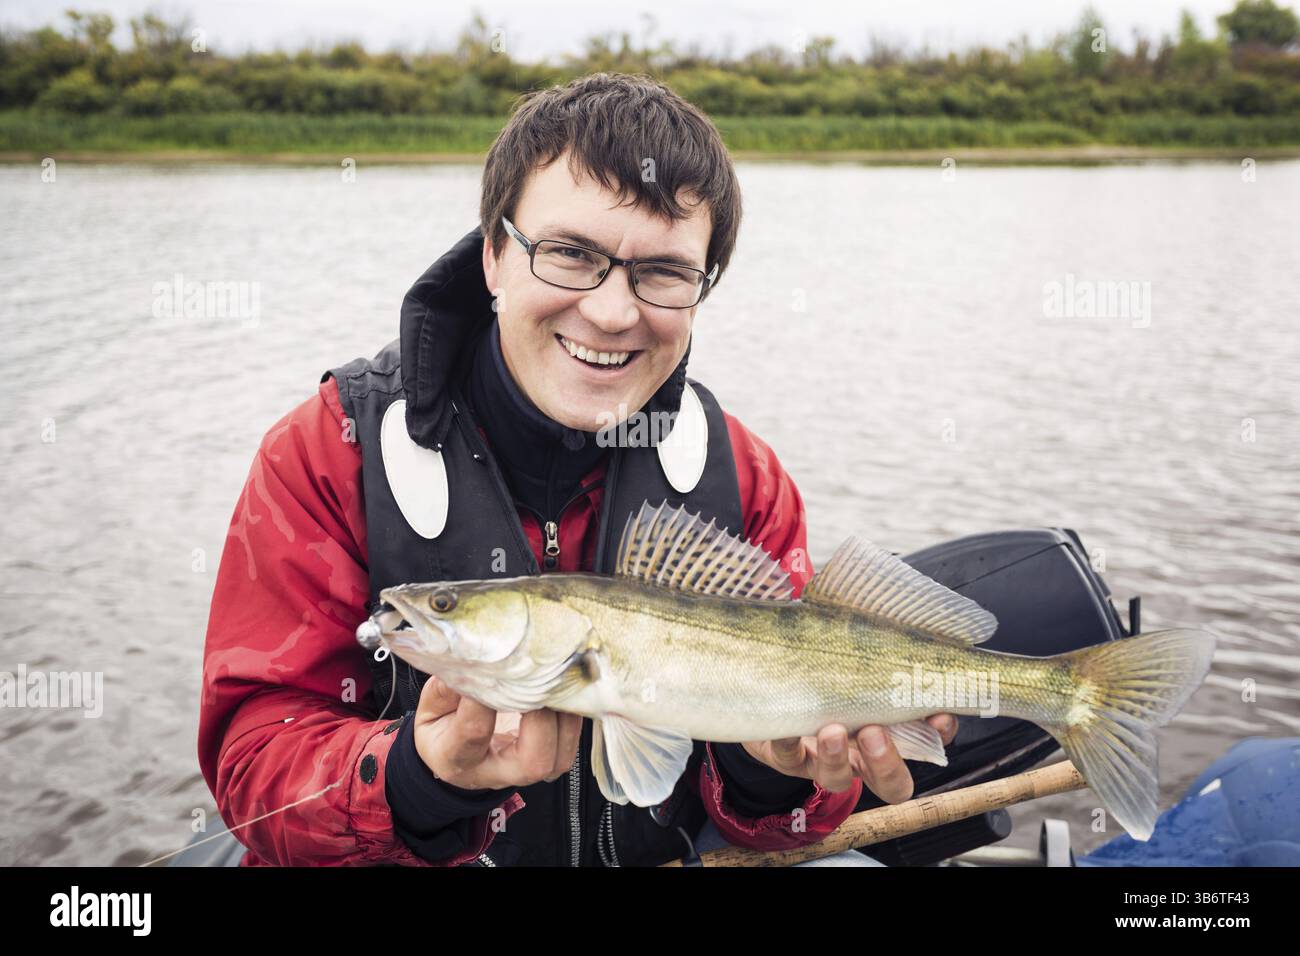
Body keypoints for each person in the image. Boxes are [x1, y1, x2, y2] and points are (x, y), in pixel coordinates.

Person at [197, 72, 957, 867]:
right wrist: (422, 782)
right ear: (494, 256)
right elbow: (253, 759)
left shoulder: (743, 474)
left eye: (663, 272)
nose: (611, 312)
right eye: (568, 253)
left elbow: (789, 823)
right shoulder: (332, 450)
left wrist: (769, 775)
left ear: (702, 289)